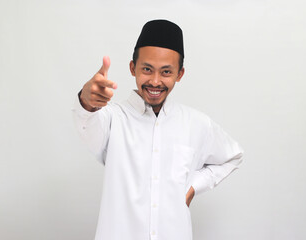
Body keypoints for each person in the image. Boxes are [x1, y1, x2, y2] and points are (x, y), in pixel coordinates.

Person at [72, 19, 243, 240]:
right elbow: (87, 123)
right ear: (133, 68)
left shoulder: (196, 123)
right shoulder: (112, 118)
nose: (155, 81)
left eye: (166, 72)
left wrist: (193, 187)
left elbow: (234, 156)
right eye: (147, 69)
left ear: (179, 74)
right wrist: (87, 101)